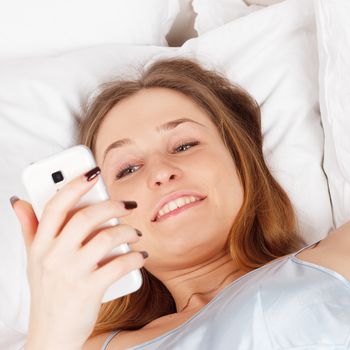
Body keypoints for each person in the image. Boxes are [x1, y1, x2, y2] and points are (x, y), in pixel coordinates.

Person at [11, 58, 350, 350]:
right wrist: (51, 331)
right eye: (128, 168)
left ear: (240, 162)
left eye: (184, 145)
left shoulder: (338, 258)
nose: (160, 173)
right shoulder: (79, 344)